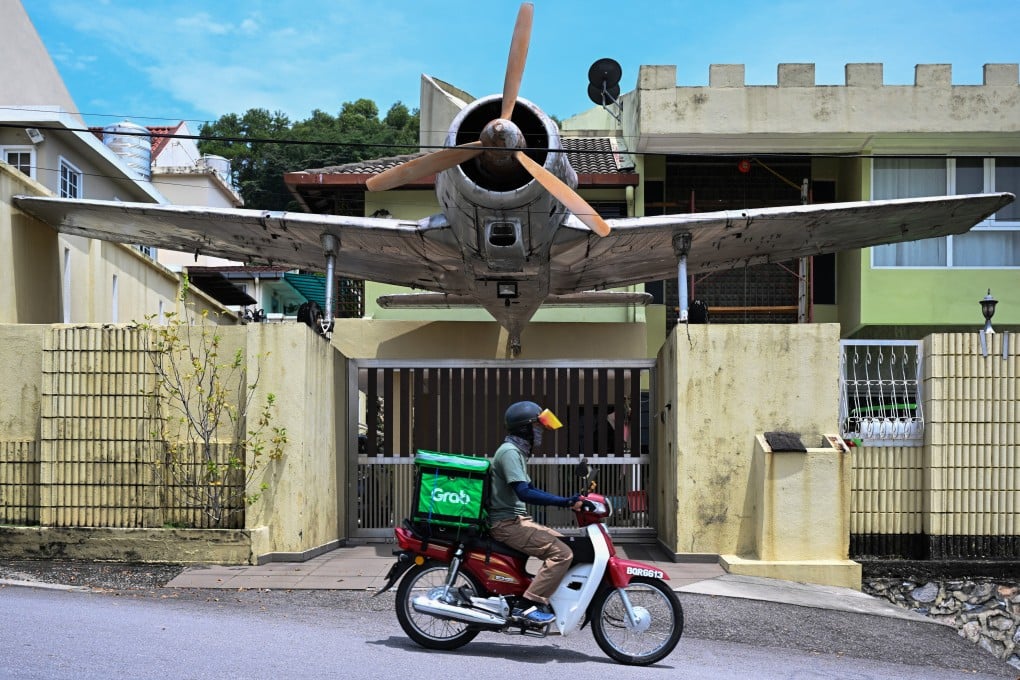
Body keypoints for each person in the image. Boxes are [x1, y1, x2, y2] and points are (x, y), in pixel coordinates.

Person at [488, 401, 583, 625]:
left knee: (569, 544)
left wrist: (566, 499)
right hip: (506, 524)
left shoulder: (517, 451)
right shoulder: (510, 452)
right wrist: (565, 502)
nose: (540, 432)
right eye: (537, 427)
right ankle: (528, 604)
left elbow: (528, 489)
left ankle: (546, 594)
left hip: (517, 520)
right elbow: (525, 493)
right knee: (562, 554)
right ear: (525, 428)